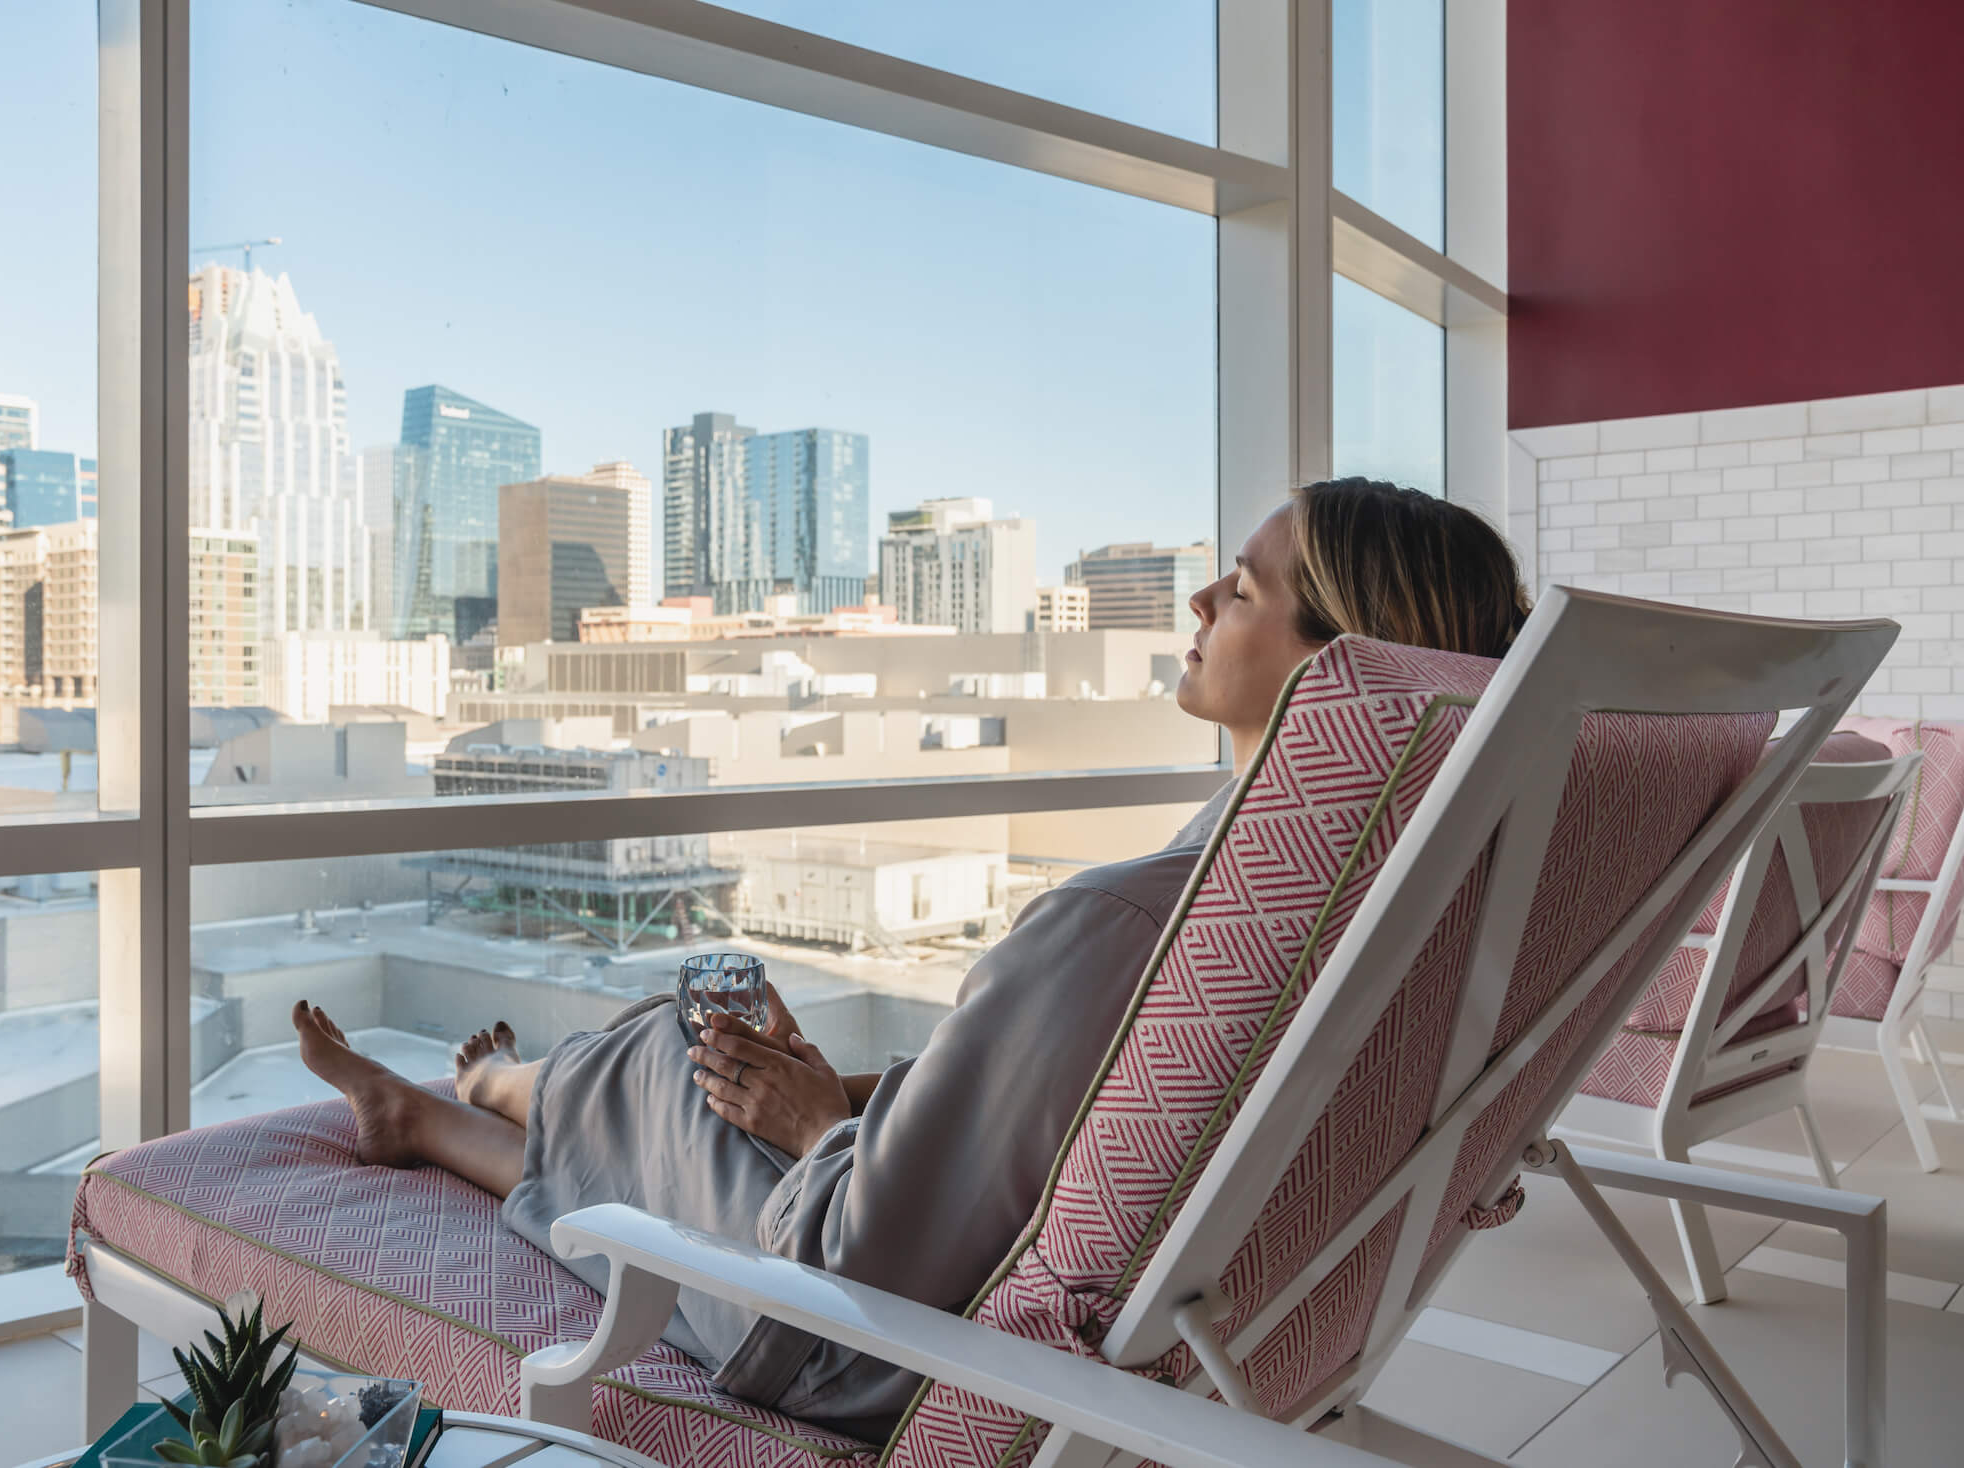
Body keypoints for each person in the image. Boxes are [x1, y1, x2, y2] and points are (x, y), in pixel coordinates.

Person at [291, 477, 1532, 1439]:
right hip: (1158, 1321)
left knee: (669, 1055)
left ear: (1343, 668)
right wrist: (860, 1101)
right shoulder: (1411, 915)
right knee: (727, 1066)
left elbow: (856, 1252)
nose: (1201, 601)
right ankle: (432, 1115)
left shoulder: (1125, 924)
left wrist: (817, 1122)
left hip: (876, 1344)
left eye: (1246, 590)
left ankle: (500, 1087)